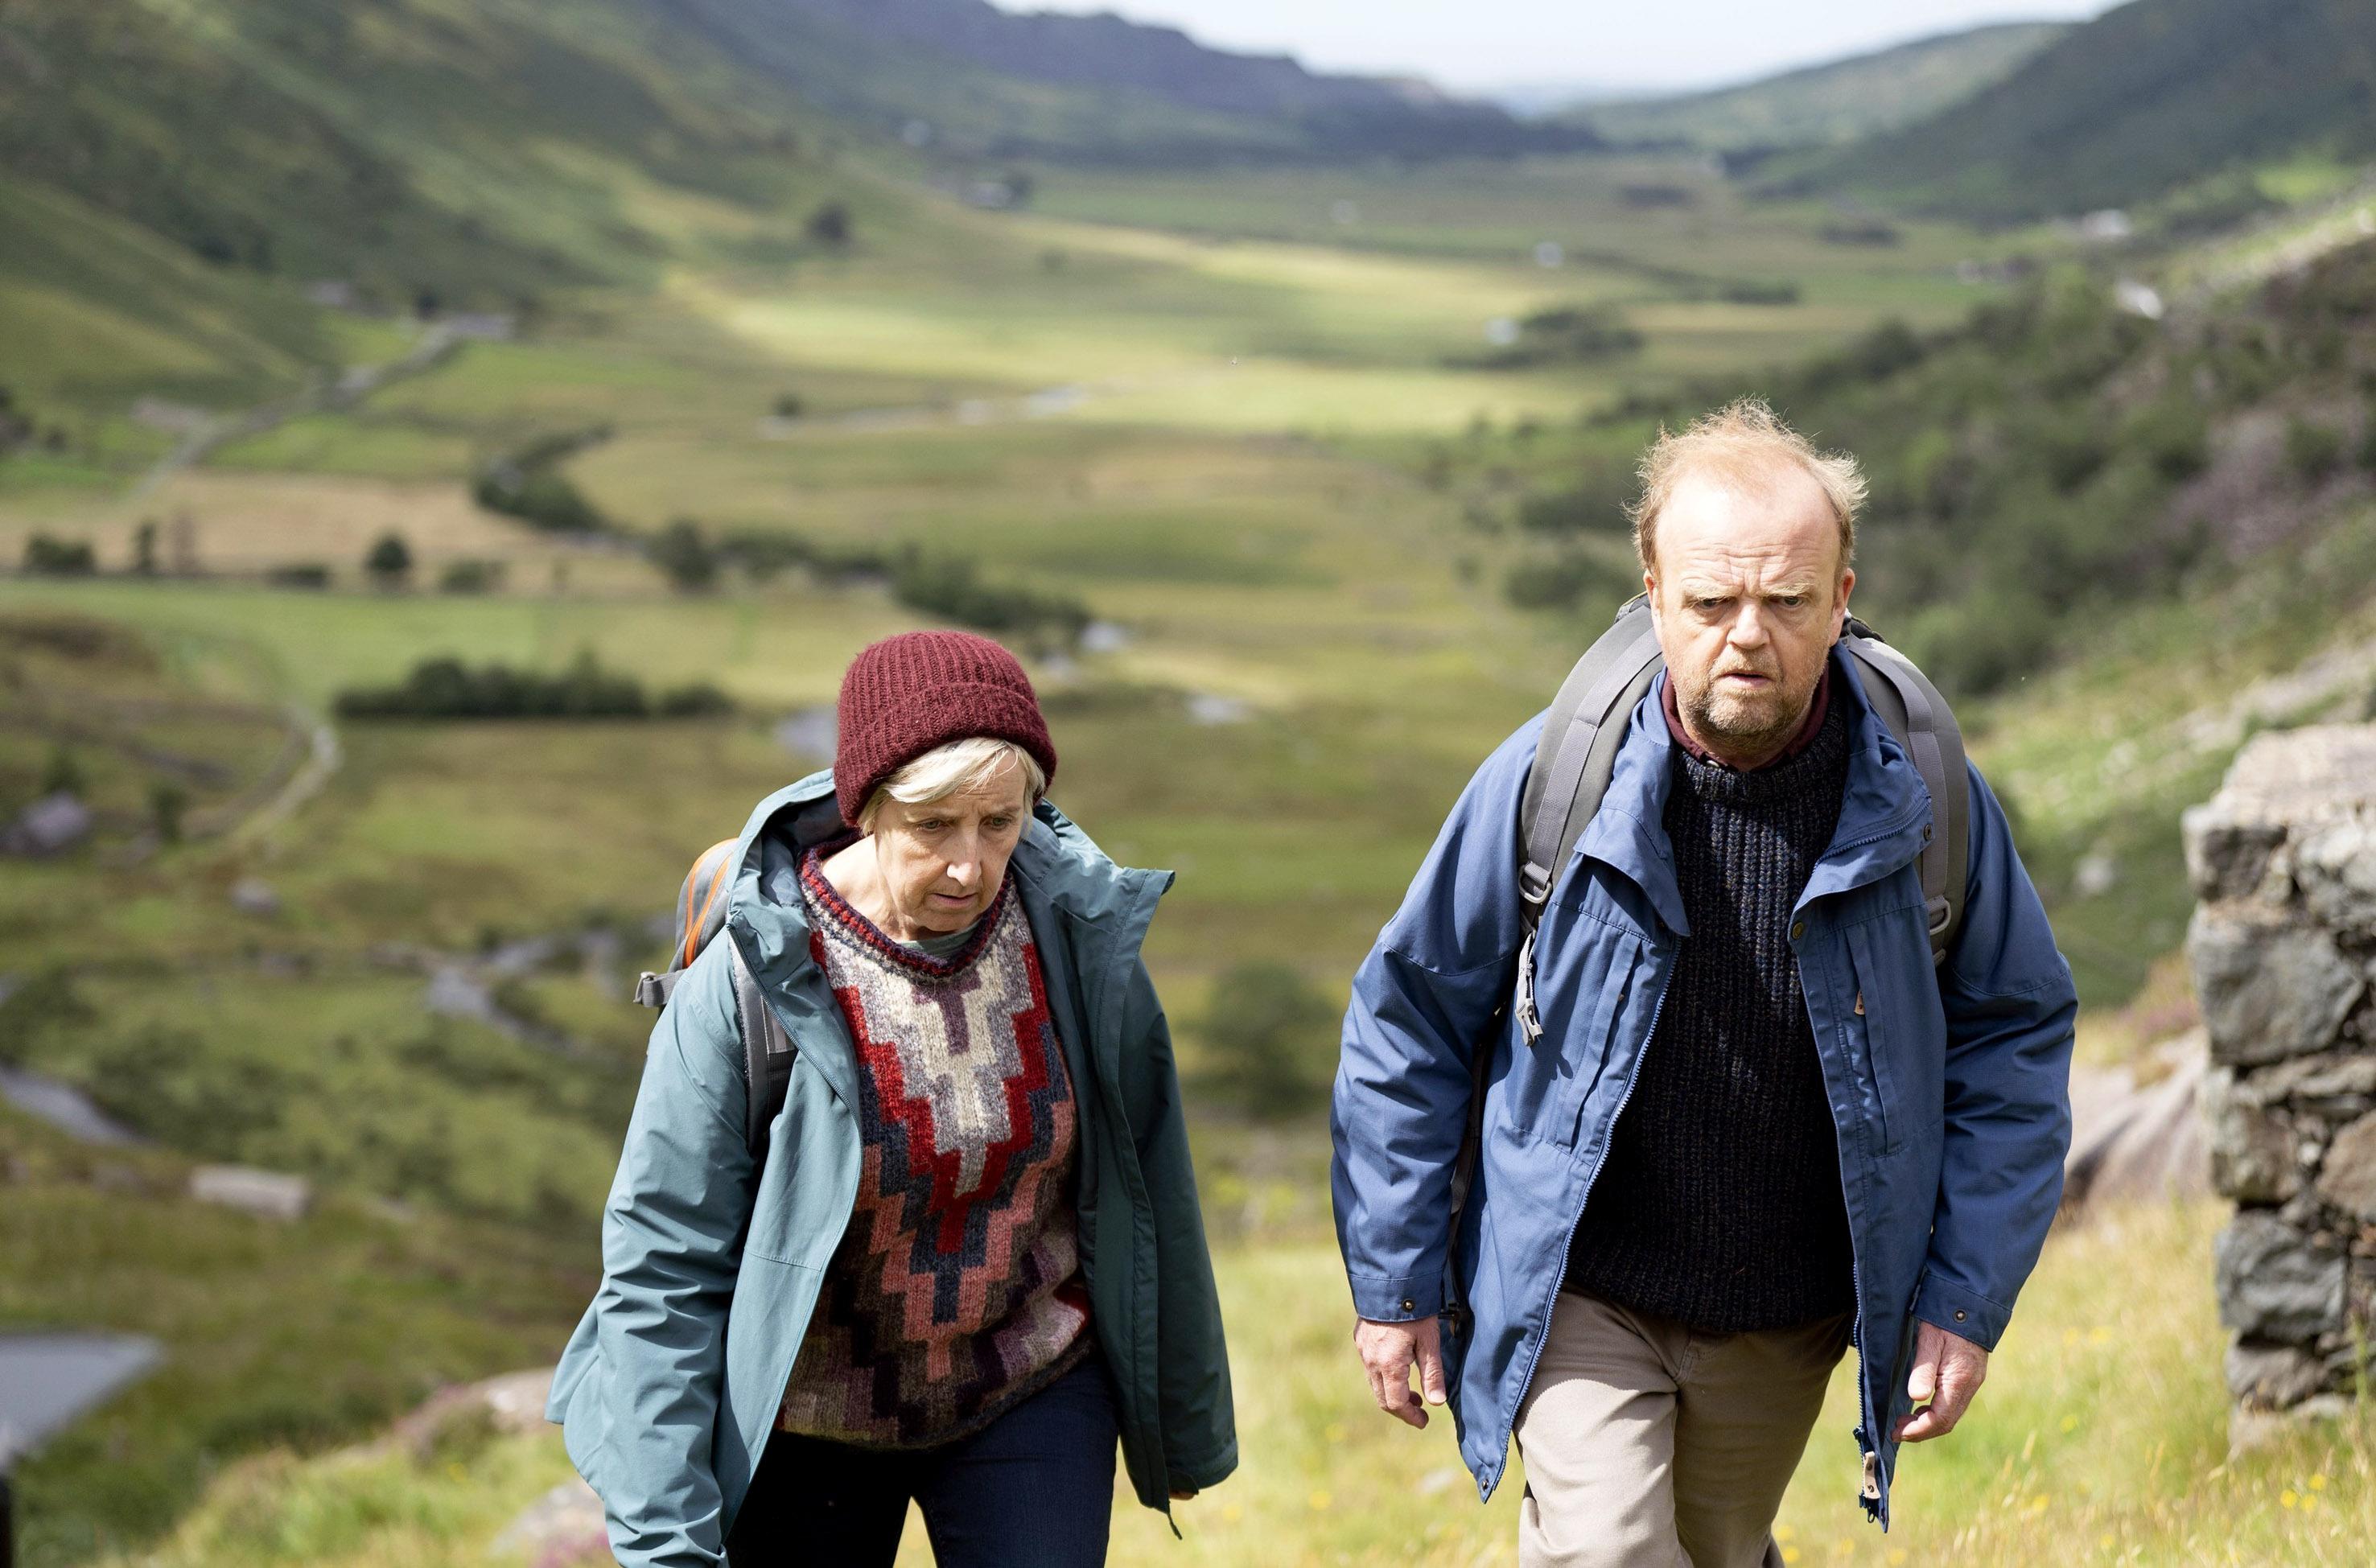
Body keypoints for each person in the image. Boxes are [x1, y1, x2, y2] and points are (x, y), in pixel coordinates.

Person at [1331, 400, 2076, 1566]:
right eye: (1711, 602)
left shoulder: (1922, 792)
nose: (1746, 635)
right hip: (1583, 1285)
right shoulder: (1552, 777)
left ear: (1840, 598)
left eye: (1785, 602)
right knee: (1608, 1553)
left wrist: (1962, 1298)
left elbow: (2014, 1041)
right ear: (1652, 593)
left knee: (1717, 1550)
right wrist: (1394, 1280)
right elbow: (1408, 1019)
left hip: (1786, 1308)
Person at [549, 630, 1235, 1567]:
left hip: (1025, 1383)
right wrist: (666, 1541)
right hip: (801, 1419)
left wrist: (1181, 1425)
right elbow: (665, 1267)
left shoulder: (1075, 939)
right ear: (865, 804)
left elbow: (1151, 1187)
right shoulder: (754, 979)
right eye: (934, 825)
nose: (968, 864)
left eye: (1000, 823)